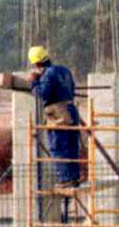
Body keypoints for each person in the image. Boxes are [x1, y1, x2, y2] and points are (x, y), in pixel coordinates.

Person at [27, 45, 84, 185]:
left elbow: (43, 95)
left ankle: (65, 179)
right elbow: (72, 88)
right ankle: (74, 177)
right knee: (71, 146)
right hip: (71, 110)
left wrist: (34, 82)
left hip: (58, 114)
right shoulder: (64, 70)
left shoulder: (47, 74)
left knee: (58, 146)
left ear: (35, 63)